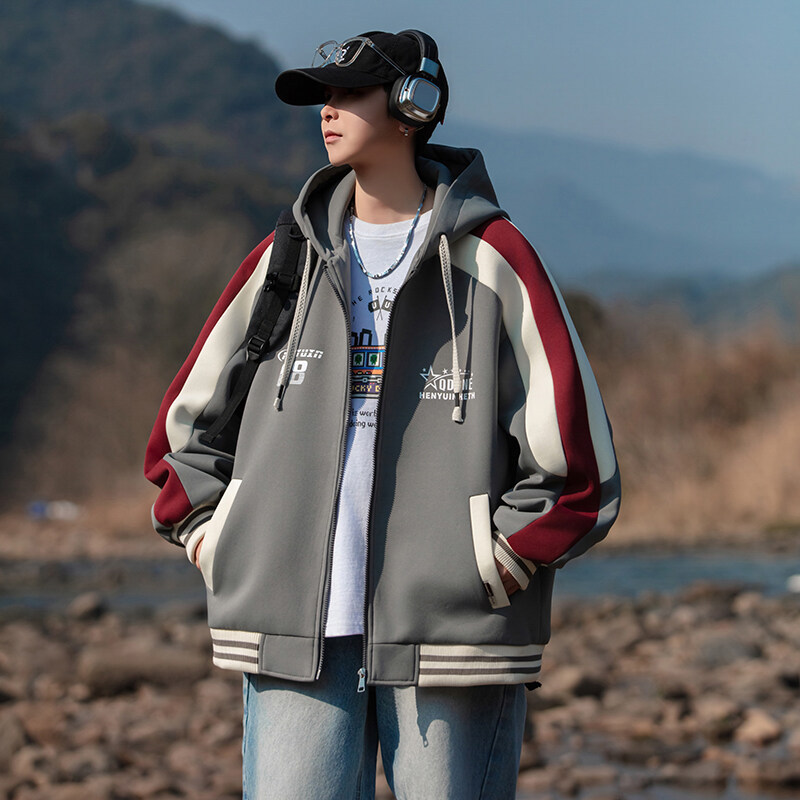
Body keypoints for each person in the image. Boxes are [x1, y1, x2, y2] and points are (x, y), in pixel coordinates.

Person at [144, 29, 621, 800]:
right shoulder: (287, 259)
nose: (327, 111)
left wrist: (495, 564)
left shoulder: (494, 259)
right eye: (322, 97)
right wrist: (221, 538)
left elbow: (577, 465)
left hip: (451, 633)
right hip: (293, 627)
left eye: (348, 93)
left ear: (412, 105)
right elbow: (182, 432)